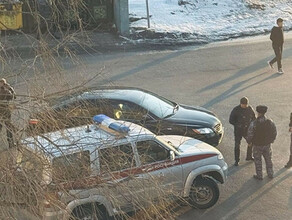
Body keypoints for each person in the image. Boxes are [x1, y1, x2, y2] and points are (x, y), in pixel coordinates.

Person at [247, 105, 277, 180]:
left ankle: (259, 175)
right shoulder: (270, 122)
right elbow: (274, 132)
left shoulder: (254, 123)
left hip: (257, 145)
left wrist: (249, 142)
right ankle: (270, 173)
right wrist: (271, 140)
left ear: (258, 112)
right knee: (268, 159)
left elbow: (250, 134)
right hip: (267, 144)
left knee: (258, 161)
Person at [229, 97, 256, 166]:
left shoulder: (249, 109)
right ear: (240, 103)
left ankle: (249, 156)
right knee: (237, 145)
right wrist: (237, 124)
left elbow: (254, 118)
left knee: (250, 142)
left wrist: (251, 125)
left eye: (246, 104)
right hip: (238, 130)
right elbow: (231, 120)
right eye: (243, 104)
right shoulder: (236, 110)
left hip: (247, 130)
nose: (244, 106)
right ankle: (237, 160)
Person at [0, 78, 16, 148]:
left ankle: (11, 144)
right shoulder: (6, 91)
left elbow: (14, 96)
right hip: (4, 111)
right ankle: (11, 144)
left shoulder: (6, 91)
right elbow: (14, 96)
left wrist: (9, 88)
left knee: (8, 128)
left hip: (5, 111)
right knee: (8, 128)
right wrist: (10, 88)